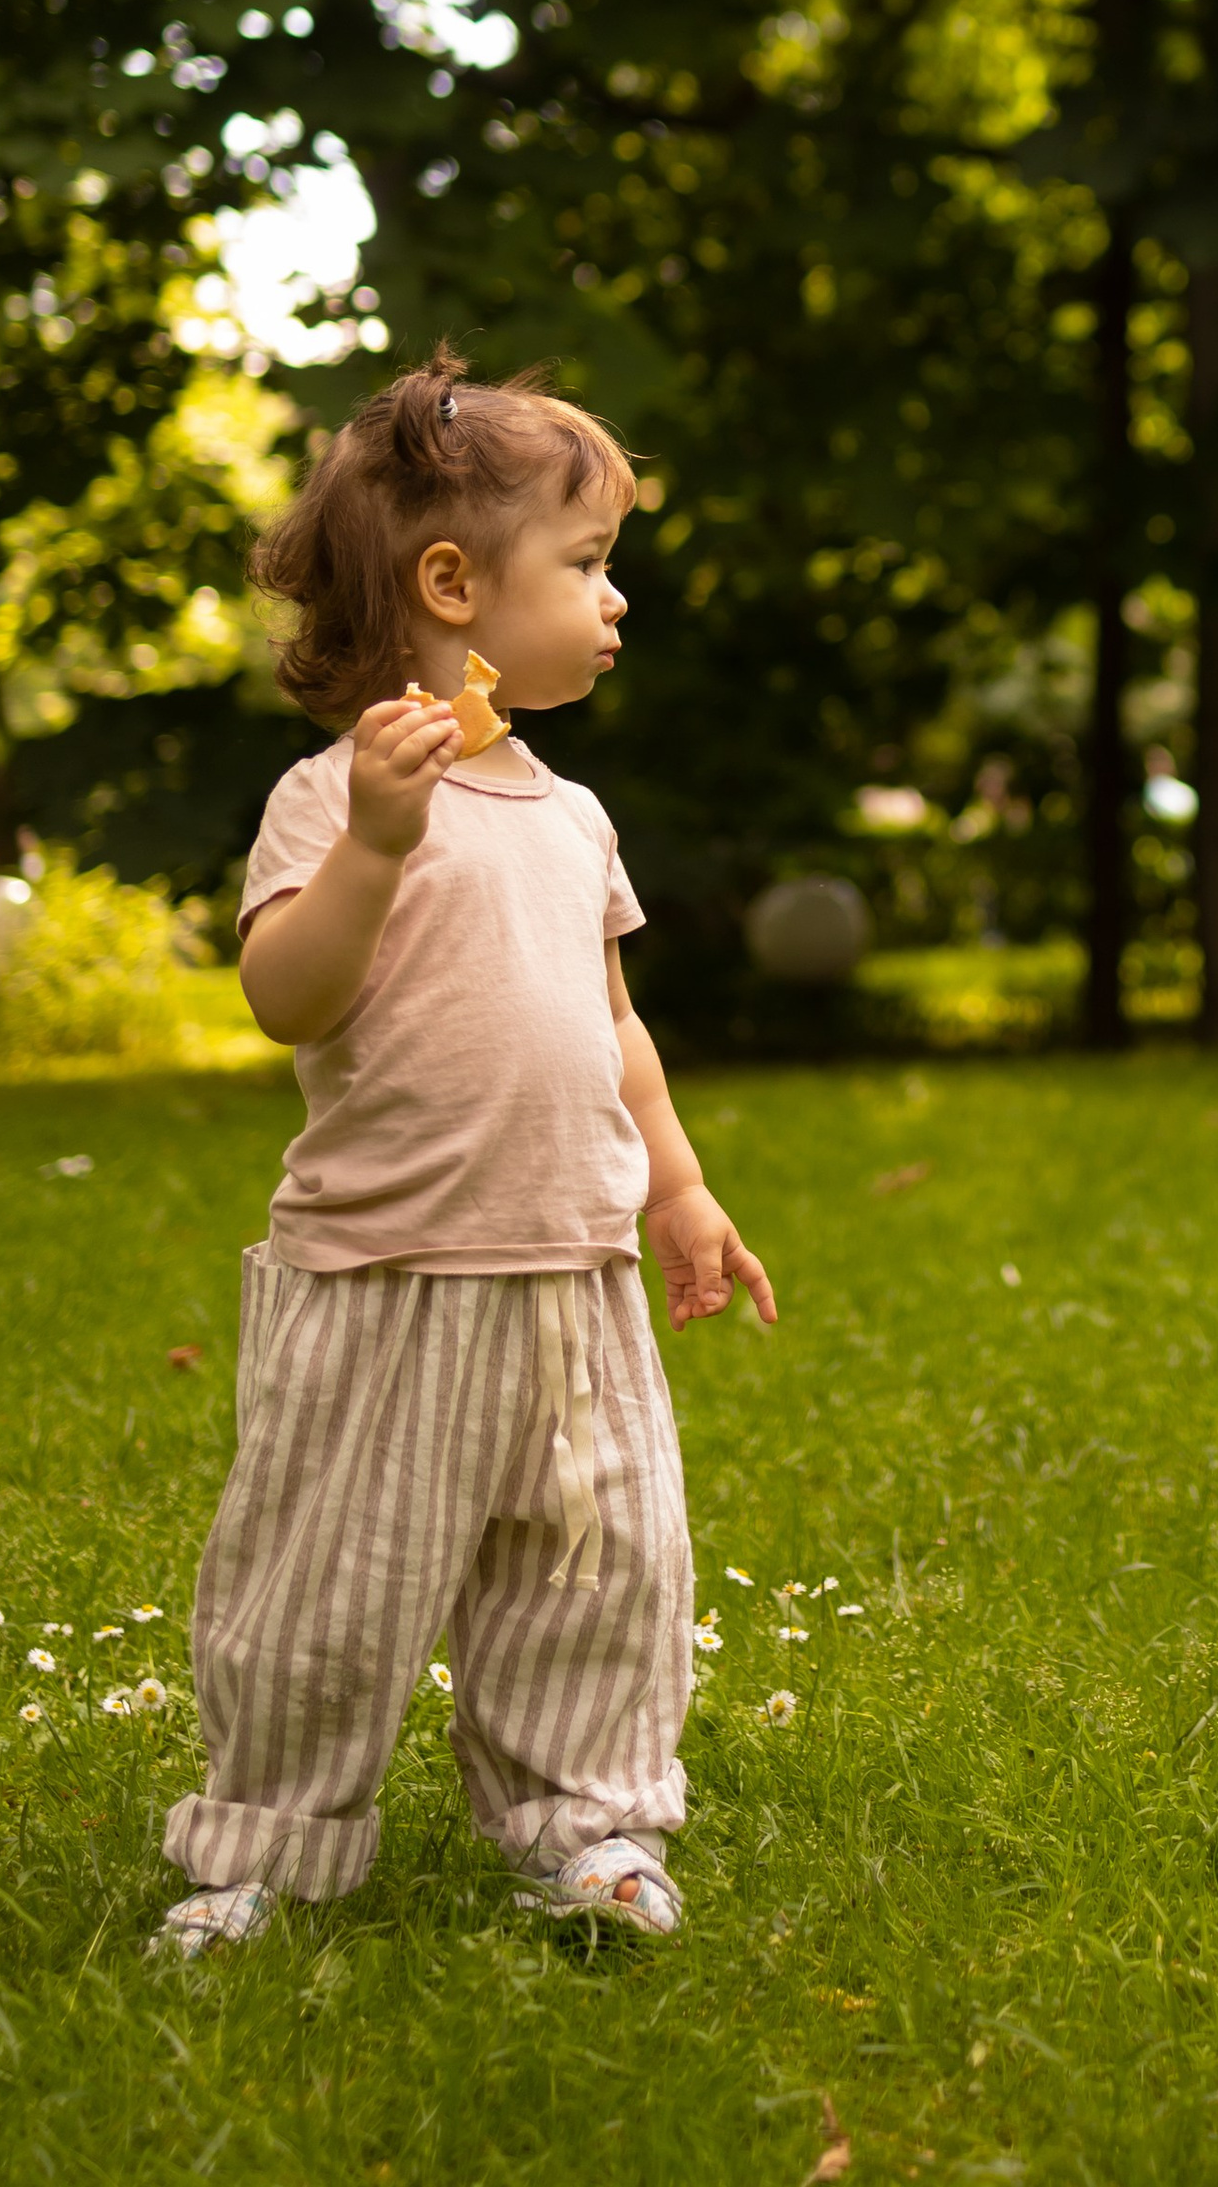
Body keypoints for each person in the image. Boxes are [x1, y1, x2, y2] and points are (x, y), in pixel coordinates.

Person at [155, 349, 773, 1959]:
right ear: (452, 583)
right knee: (328, 1585)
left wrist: (684, 1190)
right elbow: (288, 994)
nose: (617, 597)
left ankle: (587, 1830)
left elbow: (614, 1024)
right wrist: (372, 843)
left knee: (602, 1569)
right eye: (585, 563)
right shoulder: (334, 799)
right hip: (387, 1283)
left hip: (573, 1280)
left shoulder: (572, 817)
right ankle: (268, 1847)